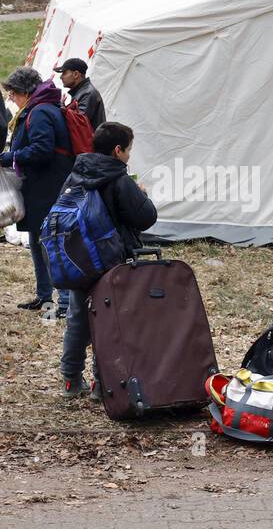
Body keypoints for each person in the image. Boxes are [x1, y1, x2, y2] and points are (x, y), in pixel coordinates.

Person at [58, 122, 157, 399]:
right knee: (112, 323)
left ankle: (70, 379)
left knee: (78, 319)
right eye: (128, 150)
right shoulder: (119, 178)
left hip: (79, 259)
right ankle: (103, 384)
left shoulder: (76, 174)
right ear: (117, 150)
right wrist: (143, 194)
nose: (128, 155)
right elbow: (145, 217)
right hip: (112, 261)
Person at [1, 67, 74, 317]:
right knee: (36, 241)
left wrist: (11, 157)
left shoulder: (41, 112)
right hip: (41, 186)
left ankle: (63, 302)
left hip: (47, 186)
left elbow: (42, 150)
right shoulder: (41, 107)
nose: (11, 98)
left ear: (25, 91)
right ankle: (45, 297)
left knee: (49, 244)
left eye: (13, 93)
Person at [54, 58, 105, 131]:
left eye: (64, 73)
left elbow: (78, 123)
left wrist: (62, 108)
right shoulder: (82, 91)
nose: (61, 77)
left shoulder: (87, 93)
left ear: (76, 74)